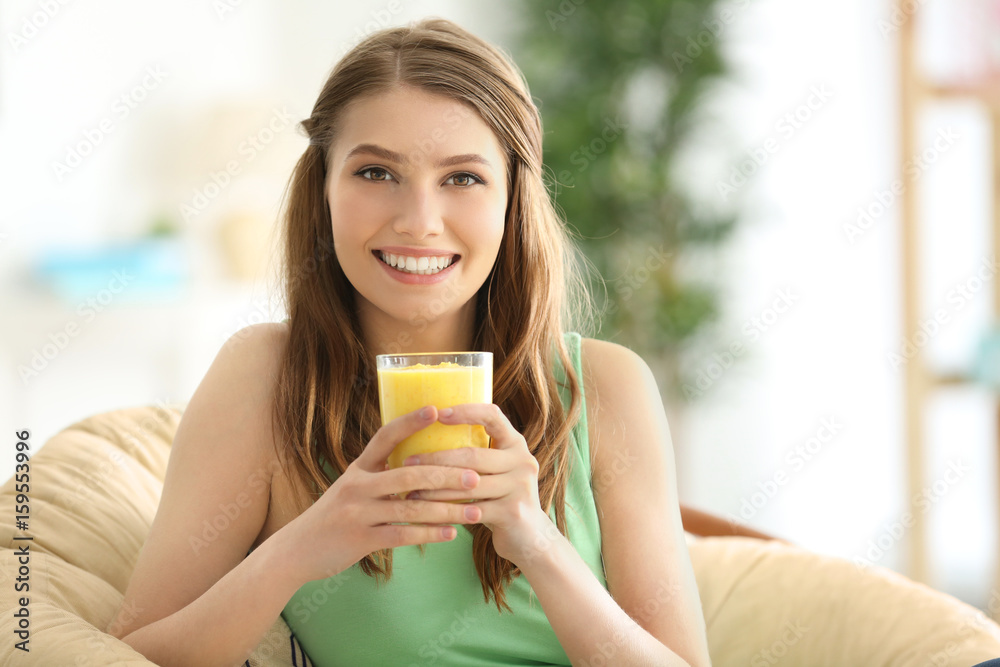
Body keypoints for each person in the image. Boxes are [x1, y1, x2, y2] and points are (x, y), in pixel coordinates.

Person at [108, 16, 711, 667]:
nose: (419, 222)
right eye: (375, 173)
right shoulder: (266, 378)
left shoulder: (606, 386)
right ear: (325, 188)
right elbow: (131, 653)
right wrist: (300, 548)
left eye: (462, 178)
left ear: (513, 199)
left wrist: (537, 542)